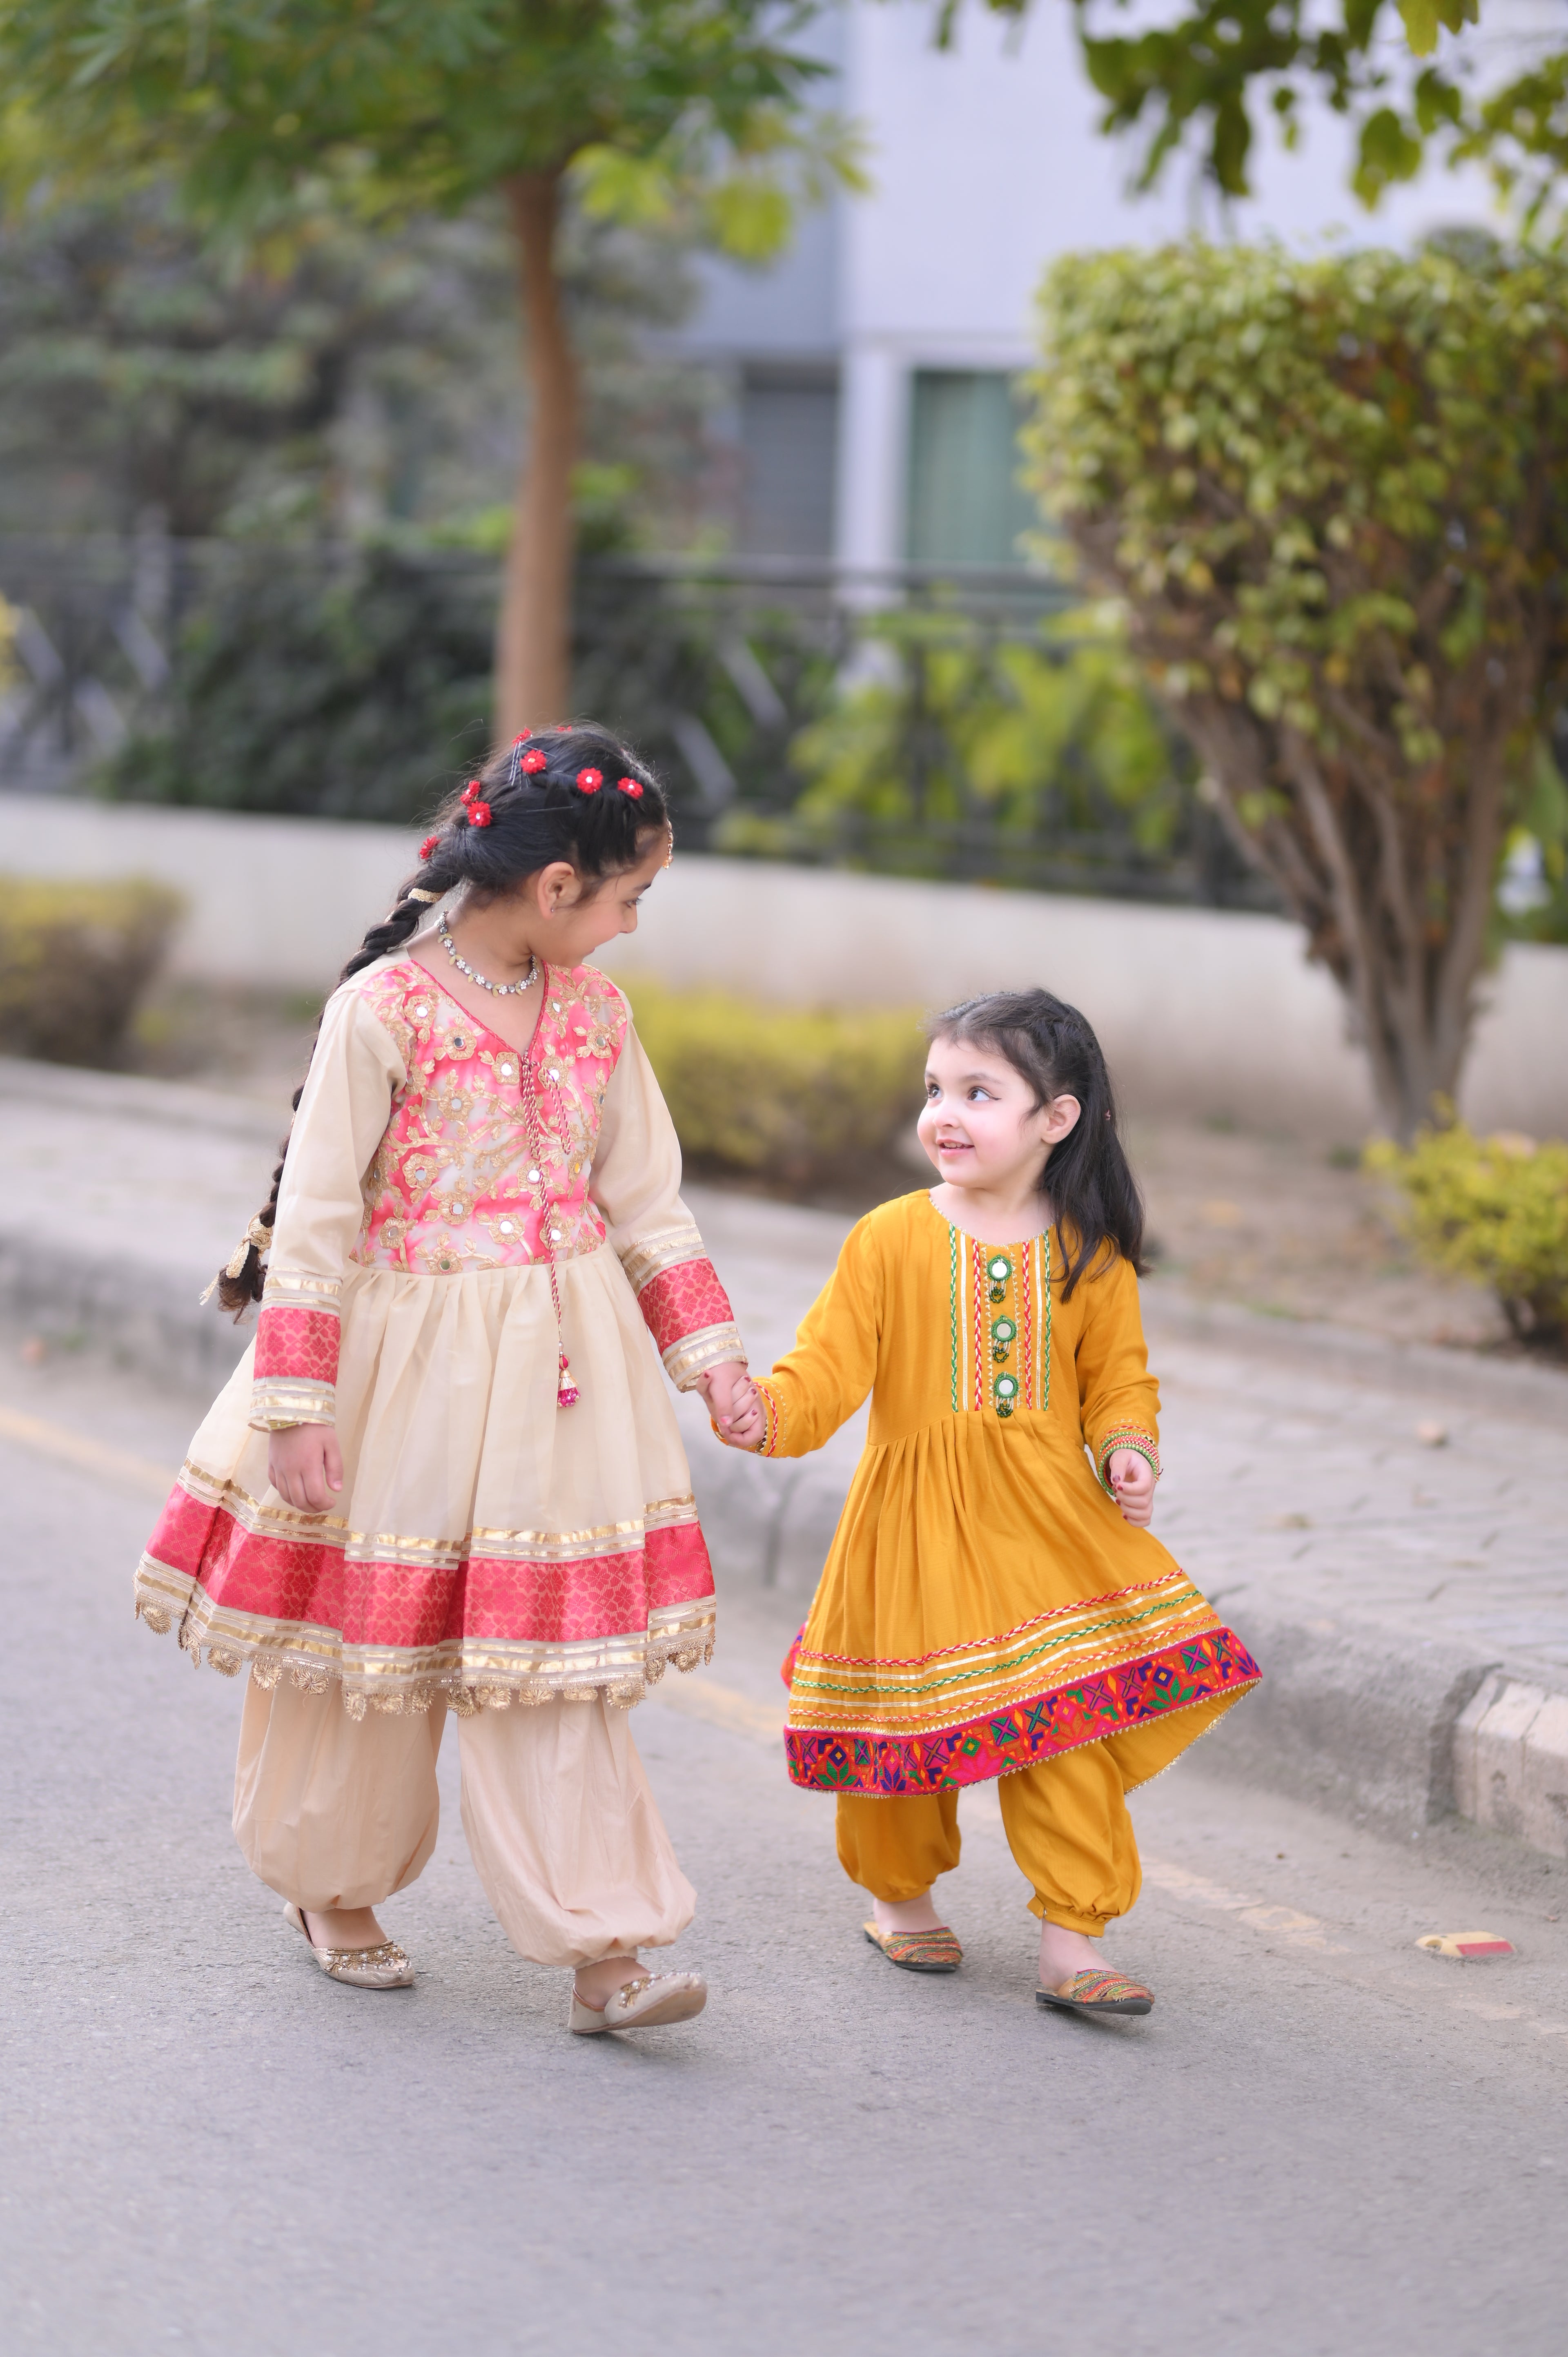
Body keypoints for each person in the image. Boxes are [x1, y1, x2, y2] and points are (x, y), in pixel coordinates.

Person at [135, 726, 751, 2035]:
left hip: (562, 1378)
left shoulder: (599, 1016)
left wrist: (712, 1359)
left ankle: (606, 1946)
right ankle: (334, 1887)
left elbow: (647, 1202)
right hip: (398, 1376)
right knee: (368, 1647)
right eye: (632, 895)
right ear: (557, 885)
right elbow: (314, 1225)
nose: (635, 925)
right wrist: (296, 1408)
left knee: (557, 1658)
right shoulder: (383, 1010)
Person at [717, 988, 1260, 2020]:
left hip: (1048, 1528)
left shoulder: (1090, 1251)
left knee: (1068, 1721)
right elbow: (826, 1369)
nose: (944, 1114)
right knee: (902, 1729)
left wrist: (1129, 1448)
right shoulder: (888, 1237)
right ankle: (901, 1898)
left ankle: (1073, 1936)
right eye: (935, 1090)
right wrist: (767, 1415)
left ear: (1057, 1118)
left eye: (979, 1092)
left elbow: (1120, 1378)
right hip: (914, 1532)